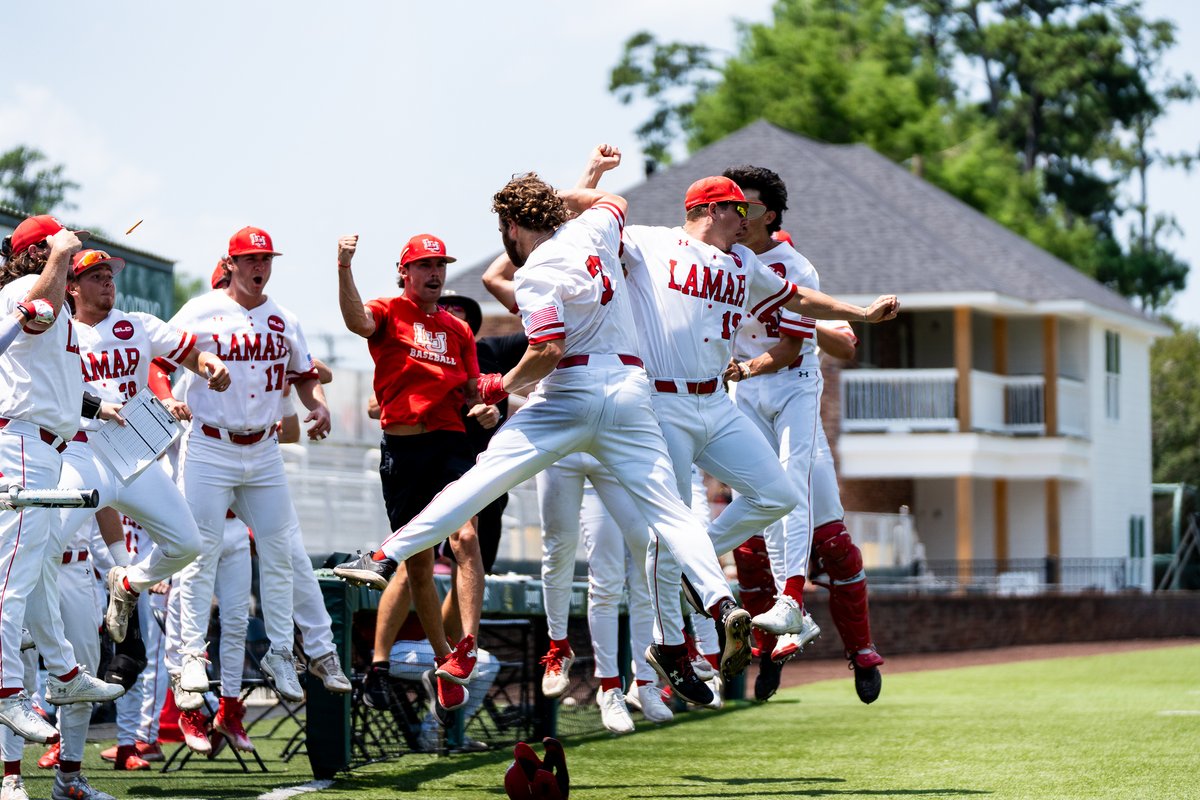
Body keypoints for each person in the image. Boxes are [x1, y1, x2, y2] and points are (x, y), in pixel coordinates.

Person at [336, 166, 751, 708]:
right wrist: (569, 190)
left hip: (571, 390)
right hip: (629, 388)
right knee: (671, 511)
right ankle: (721, 603)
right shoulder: (594, 229)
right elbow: (612, 199)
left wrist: (499, 386)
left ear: (511, 225)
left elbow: (547, 351)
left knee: (481, 480)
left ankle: (387, 555)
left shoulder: (535, 274)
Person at [161, 225, 331, 707]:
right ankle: (191, 654)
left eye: (267, 259)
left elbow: (305, 375)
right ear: (230, 263)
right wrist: (164, 399)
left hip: (263, 449)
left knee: (283, 550)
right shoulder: (201, 309)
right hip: (210, 444)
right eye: (251, 258)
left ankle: (282, 651)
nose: (260, 266)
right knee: (198, 549)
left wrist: (318, 405)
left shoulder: (284, 318)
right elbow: (159, 357)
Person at [335, 232, 489, 711]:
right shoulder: (387, 310)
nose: (435, 273)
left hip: (450, 445)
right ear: (405, 272)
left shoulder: (458, 329)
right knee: (418, 563)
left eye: (440, 265)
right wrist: (343, 268)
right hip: (402, 452)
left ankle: (467, 647)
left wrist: (489, 407)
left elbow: (470, 390)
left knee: (465, 539)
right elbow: (356, 321)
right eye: (425, 265)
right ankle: (443, 659)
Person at [0, 216, 129, 745]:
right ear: (40, 251)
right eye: (60, 245)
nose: (73, 251)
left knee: (34, 578)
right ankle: (8, 692)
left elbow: (55, 384)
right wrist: (57, 255)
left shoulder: (52, 299)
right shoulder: (22, 290)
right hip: (22, 444)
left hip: (46, 444)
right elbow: (34, 320)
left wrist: (101, 406)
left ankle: (66, 674)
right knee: (13, 576)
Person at [436, 291, 527, 573]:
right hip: (440, 468)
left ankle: (465, 618)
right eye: (443, 307)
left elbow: (547, 338)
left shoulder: (489, 351)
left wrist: (497, 401)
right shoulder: (419, 361)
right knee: (426, 561)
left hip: (487, 471)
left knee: (478, 566)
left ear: (471, 321)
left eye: (457, 308)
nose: (450, 311)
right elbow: (375, 407)